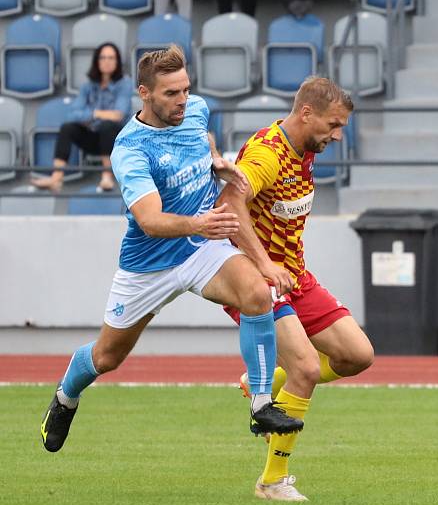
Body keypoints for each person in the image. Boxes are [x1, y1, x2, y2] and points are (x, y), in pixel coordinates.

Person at [39, 45, 303, 456]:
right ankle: (66, 396)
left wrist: (214, 160)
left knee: (256, 293)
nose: (182, 100)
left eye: (185, 90)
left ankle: (262, 403)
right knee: (108, 357)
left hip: (200, 249)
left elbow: (203, 136)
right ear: (144, 92)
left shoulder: (195, 109)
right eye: (170, 94)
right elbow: (150, 220)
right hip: (149, 264)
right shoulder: (131, 150)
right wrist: (202, 223)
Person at [219, 76, 374, 502]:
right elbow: (229, 201)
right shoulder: (269, 153)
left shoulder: (303, 149)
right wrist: (265, 264)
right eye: (334, 124)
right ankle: (272, 481)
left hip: (296, 276)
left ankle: (266, 379)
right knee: (308, 369)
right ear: (307, 113)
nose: (338, 135)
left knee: (357, 355)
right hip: (256, 280)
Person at [32, 43, 133, 193]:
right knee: (68, 128)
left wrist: (90, 115)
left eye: (111, 58)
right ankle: (56, 177)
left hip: (117, 140)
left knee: (107, 125)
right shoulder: (88, 86)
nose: (107, 61)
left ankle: (107, 175)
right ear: (97, 61)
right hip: (95, 138)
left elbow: (118, 114)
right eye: (103, 57)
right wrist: (96, 114)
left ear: (117, 61)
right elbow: (72, 114)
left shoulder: (124, 84)